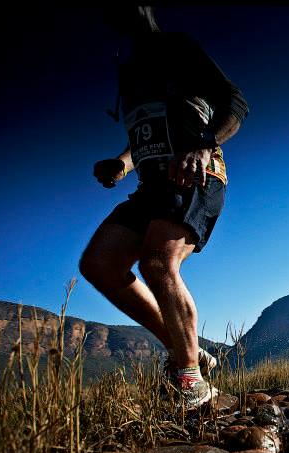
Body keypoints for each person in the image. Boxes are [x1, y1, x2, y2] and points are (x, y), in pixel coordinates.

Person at [79, 6, 249, 409]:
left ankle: (190, 380)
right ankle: (186, 350)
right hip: (149, 186)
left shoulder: (177, 47)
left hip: (194, 175)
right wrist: (122, 163)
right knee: (99, 264)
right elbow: (143, 133)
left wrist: (204, 145)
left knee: (157, 262)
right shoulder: (128, 70)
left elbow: (236, 104)